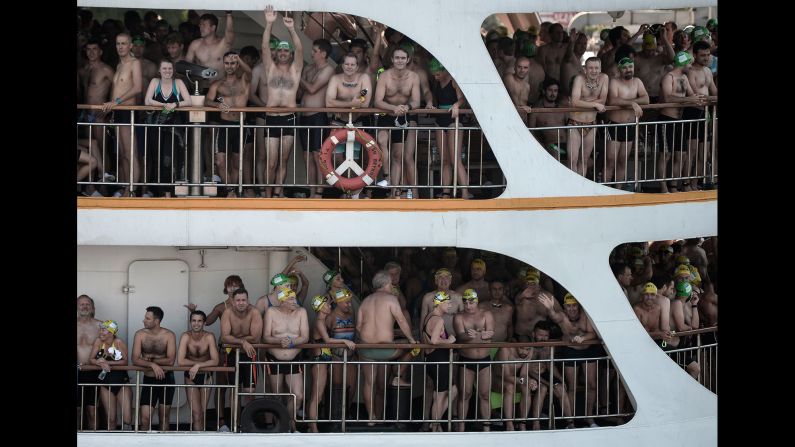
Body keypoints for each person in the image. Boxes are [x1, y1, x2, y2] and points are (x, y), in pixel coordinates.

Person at [356, 270, 417, 423]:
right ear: (385, 284)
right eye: (391, 283)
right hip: (386, 350)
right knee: (414, 348)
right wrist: (410, 339)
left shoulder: (365, 301)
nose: (392, 286)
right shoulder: (391, 299)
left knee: (369, 383)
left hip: (366, 350)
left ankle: (371, 417)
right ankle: (397, 375)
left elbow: (358, 327)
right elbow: (402, 321)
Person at [260, 5, 303, 198]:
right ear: (276, 53)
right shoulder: (270, 68)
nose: (283, 53)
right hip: (271, 117)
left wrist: (292, 29)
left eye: (287, 50)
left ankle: (278, 193)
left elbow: (301, 48)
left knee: (284, 160)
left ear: (291, 54)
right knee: (271, 161)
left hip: (289, 117)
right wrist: (269, 24)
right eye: (280, 50)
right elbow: (264, 47)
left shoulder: (295, 69)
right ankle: (268, 193)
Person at [538, 293, 600, 427]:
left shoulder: (585, 315)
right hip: (571, 351)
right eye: (569, 306)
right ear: (564, 307)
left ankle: (589, 417)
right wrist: (550, 308)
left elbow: (593, 333)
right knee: (571, 386)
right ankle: (570, 420)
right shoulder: (562, 316)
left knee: (592, 385)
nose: (572, 309)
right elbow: (555, 316)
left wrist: (584, 338)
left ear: (578, 306)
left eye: (574, 306)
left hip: (589, 350)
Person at [373, 47, 421, 198]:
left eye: (402, 58)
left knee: (397, 155)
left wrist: (407, 107)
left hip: (403, 116)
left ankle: (395, 192)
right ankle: (386, 176)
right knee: (382, 141)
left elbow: (417, 101)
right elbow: (378, 101)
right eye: (397, 58)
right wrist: (394, 108)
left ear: (407, 60)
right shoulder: (384, 76)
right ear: (392, 60)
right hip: (387, 113)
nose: (399, 60)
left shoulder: (414, 77)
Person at [305, 294, 356, 432]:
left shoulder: (323, 319)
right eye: (327, 305)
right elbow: (327, 340)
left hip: (324, 359)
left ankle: (313, 424)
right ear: (321, 308)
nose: (329, 306)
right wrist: (345, 341)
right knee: (317, 395)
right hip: (320, 360)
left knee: (319, 395)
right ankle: (313, 427)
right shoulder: (319, 322)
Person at [205, 52, 253, 197]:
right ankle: (230, 191)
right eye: (227, 63)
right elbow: (207, 101)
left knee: (237, 162)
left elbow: (249, 71)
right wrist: (217, 105)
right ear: (223, 65)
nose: (229, 66)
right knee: (220, 161)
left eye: (232, 63)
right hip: (224, 124)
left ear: (237, 65)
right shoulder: (218, 84)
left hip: (240, 125)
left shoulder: (244, 80)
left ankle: (233, 192)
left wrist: (238, 57)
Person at [658, 51, 707, 192]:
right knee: (666, 155)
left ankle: (673, 186)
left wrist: (702, 99)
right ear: (683, 63)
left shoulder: (684, 77)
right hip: (667, 120)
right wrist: (689, 99)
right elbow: (668, 98)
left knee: (682, 155)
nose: (691, 66)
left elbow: (692, 95)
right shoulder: (669, 77)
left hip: (679, 121)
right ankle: (663, 187)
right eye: (689, 63)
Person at [262, 288, 309, 432]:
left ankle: (291, 425)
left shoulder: (301, 312)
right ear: (281, 301)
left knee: (298, 396)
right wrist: (279, 341)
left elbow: (305, 337)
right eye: (290, 299)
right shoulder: (271, 312)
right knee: (277, 395)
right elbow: (265, 337)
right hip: (274, 359)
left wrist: (292, 343)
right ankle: (280, 426)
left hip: (294, 358)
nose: (294, 301)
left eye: (294, 298)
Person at [101, 32, 142, 197]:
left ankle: (132, 190)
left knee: (130, 153)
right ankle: (126, 186)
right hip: (118, 112)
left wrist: (116, 102)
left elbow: (137, 88)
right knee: (122, 154)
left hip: (128, 112)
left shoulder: (134, 63)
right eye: (118, 44)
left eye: (124, 43)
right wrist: (110, 107)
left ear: (130, 46)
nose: (120, 47)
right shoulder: (118, 66)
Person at [143, 58, 192, 196]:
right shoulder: (155, 82)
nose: (167, 71)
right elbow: (147, 100)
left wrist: (175, 105)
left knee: (168, 158)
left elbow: (189, 101)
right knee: (155, 157)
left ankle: (168, 192)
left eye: (170, 68)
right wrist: (164, 105)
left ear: (173, 70)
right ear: (159, 70)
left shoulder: (178, 83)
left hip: (172, 127)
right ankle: (156, 191)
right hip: (155, 125)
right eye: (164, 68)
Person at [453, 289, 495, 431]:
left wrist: (482, 335)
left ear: (477, 301)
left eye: (471, 302)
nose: (468, 305)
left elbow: (490, 333)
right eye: (465, 302)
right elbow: (460, 336)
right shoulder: (459, 317)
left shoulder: (486, 314)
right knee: (464, 395)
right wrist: (474, 335)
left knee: (484, 395)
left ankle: (487, 429)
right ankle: (461, 428)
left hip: (484, 359)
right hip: (466, 359)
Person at [605, 55, 650, 186]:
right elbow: (613, 100)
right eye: (624, 68)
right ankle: (606, 189)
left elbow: (646, 99)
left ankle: (618, 189)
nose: (628, 69)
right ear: (619, 70)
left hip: (629, 126)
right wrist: (633, 104)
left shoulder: (637, 82)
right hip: (615, 125)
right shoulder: (614, 82)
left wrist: (632, 103)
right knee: (610, 159)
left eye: (630, 67)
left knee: (623, 160)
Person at [429, 58, 470, 199]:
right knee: (444, 160)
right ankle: (446, 192)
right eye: (434, 74)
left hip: (454, 120)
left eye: (438, 74)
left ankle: (465, 193)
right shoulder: (437, 82)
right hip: (440, 119)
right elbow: (436, 100)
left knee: (455, 159)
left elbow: (462, 99)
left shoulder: (453, 80)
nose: (436, 77)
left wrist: (457, 105)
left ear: (445, 70)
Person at [131, 306, 177, 431]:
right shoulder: (140, 334)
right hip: (149, 378)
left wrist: (150, 360)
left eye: (147, 318)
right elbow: (135, 359)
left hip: (166, 379)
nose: (143, 320)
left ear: (156, 321)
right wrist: (153, 365)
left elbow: (171, 360)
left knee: (164, 417)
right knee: (145, 418)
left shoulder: (169, 335)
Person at [299, 39, 335, 198]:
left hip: (318, 116)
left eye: (314, 51)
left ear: (323, 53)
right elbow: (300, 93)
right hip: (304, 115)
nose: (312, 53)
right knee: (306, 156)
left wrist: (295, 75)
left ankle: (320, 191)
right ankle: (312, 190)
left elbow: (312, 89)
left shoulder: (328, 70)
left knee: (317, 155)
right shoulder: (308, 68)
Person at [220, 288, 263, 413]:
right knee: (234, 390)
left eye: (243, 300)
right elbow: (224, 337)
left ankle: (249, 423)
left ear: (248, 300)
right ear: (233, 301)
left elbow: (255, 337)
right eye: (238, 300)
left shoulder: (254, 312)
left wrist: (234, 340)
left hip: (250, 355)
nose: (241, 302)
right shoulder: (227, 313)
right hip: (232, 354)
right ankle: (236, 425)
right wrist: (243, 342)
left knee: (250, 391)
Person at [177, 310, 219, 431]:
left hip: (206, 376)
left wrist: (198, 365)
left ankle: (201, 440)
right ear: (190, 322)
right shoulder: (186, 336)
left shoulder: (209, 336)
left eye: (199, 321)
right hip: (191, 378)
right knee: (196, 414)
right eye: (194, 321)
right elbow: (180, 361)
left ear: (204, 323)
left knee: (202, 413)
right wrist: (199, 364)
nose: (196, 323)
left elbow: (215, 361)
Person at [421, 290, 457, 432]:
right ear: (440, 303)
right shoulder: (439, 319)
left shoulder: (429, 316)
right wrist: (449, 340)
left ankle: (435, 423)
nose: (450, 305)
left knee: (450, 391)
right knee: (441, 395)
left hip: (432, 359)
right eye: (447, 302)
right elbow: (435, 340)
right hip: (438, 360)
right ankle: (434, 424)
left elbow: (429, 339)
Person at [89, 320, 133, 431]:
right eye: (100, 329)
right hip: (105, 383)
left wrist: (108, 363)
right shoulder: (98, 342)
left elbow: (125, 361)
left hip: (121, 382)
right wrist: (100, 362)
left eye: (103, 330)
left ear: (111, 332)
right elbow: (91, 359)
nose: (100, 332)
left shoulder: (118, 342)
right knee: (111, 420)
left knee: (127, 419)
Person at [567, 57, 608, 177]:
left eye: (596, 68)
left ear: (600, 69)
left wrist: (584, 101)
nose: (593, 71)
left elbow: (603, 100)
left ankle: (580, 190)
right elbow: (575, 102)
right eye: (590, 68)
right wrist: (595, 103)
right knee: (572, 160)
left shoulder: (604, 78)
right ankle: (572, 189)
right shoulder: (579, 79)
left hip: (591, 123)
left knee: (584, 160)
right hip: (575, 122)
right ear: (585, 69)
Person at [528, 78, 568, 159]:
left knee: (588, 160)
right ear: (544, 91)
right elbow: (531, 133)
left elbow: (571, 125)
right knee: (557, 155)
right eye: (550, 90)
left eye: (555, 91)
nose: (553, 93)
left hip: (567, 144)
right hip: (552, 145)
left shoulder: (562, 108)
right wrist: (540, 146)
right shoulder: (536, 110)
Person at [77, 295, 101, 429]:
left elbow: (110, 347)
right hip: (76, 372)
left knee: (92, 410)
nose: (84, 306)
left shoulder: (100, 325)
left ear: (92, 307)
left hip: (94, 372)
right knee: (77, 410)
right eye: (81, 304)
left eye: (87, 304)